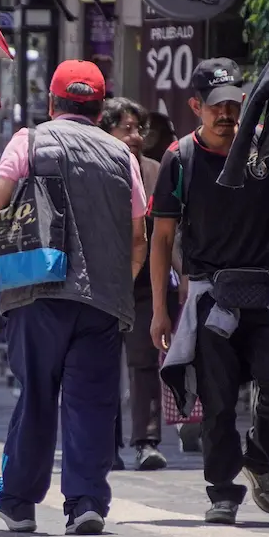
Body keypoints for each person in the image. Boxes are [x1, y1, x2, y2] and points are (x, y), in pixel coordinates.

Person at [151, 58, 269, 526]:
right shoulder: (179, 159)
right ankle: (222, 491)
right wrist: (160, 311)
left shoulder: (265, 153)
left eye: (233, 105)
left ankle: (259, 460)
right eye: (215, 107)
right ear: (196, 107)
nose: (226, 115)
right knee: (218, 402)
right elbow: (161, 238)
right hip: (211, 300)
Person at [0, 60, 148, 536]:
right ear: (99, 110)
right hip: (101, 300)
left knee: (36, 395)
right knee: (92, 403)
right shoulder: (122, 156)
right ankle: (85, 502)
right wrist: (120, 282)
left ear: (52, 104)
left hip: (37, 291)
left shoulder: (28, 141)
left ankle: (18, 501)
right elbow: (138, 235)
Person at [100, 97, 170, 472]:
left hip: (145, 282)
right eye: (125, 128)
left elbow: (168, 230)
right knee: (104, 363)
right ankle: (106, 443)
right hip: (103, 283)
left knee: (144, 361)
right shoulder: (96, 170)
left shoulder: (157, 171)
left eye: (137, 129)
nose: (134, 136)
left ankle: (146, 441)